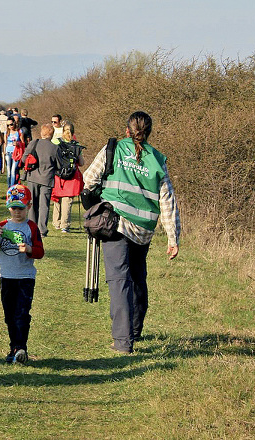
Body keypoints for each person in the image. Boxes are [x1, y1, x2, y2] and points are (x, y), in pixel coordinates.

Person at [82, 111, 181, 354]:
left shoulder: (113, 148)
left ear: (127, 130)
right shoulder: (158, 159)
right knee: (137, 277)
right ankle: (135, 330)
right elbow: (167, 200)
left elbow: (88, 179)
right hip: (144, 229)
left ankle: (123, 342)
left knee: (119, 281)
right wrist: (172, 236)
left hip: (114, 224)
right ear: (148, 133)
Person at [0, 184, 44, 364]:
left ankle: (21, 347)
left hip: (25, 277)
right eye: (14, 208)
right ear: (9, 207)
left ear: (29, 207)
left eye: (21, 208)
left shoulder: (31, 228)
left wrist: (29, 248)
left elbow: (40, 252)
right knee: (9, 315)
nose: (17, 212)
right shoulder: (2, 225)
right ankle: (14, 348)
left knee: (22, 313)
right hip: (6, 277)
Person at [21, 124, 62, 237]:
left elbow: (24, 159)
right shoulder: (55, 148)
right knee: (44, 205)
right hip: (47, 179)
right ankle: (42, 230)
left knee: (32, 203)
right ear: (52, 134)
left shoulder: (34, 143)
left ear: (41, 133)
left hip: (33, 177)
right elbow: (59, 165)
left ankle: (31, 227)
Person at [51, 121, 85, 233]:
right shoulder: (76, 145)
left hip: (59, 175)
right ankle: (65, 225)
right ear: (73, 132)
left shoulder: (56, 142)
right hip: (72, 176)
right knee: (67, 200)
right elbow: (81, 163)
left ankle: (56, 222)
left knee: (57, 199)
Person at [4, 119, 23, 188]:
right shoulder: (6, 132)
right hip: (8, 152)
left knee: (13, 171)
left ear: (14, 123)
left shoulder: (19, 131)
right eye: (8, 125)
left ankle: (12, 187)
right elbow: (5, 143)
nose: (10, 126)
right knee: (8, 172)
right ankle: (9, 187)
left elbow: (23, 143)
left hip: (16, 153)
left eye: (11, 124)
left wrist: (18, 143)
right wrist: (4, 152)